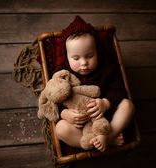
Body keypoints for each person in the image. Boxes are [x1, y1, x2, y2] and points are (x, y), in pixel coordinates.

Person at [55, 16, 134, 152]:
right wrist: (64, 114)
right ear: (67, 56)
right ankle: (100, 142)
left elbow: (118, 90)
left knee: (128, 105)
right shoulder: (62, 75)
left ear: (98, 52)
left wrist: (106, 103)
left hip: (106, 121)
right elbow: (54, 100)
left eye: (89, 56)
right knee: (60, 128)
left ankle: (108, 137)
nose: (84, 62)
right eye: (76, 58)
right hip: (81, 126)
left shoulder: (106, 69)